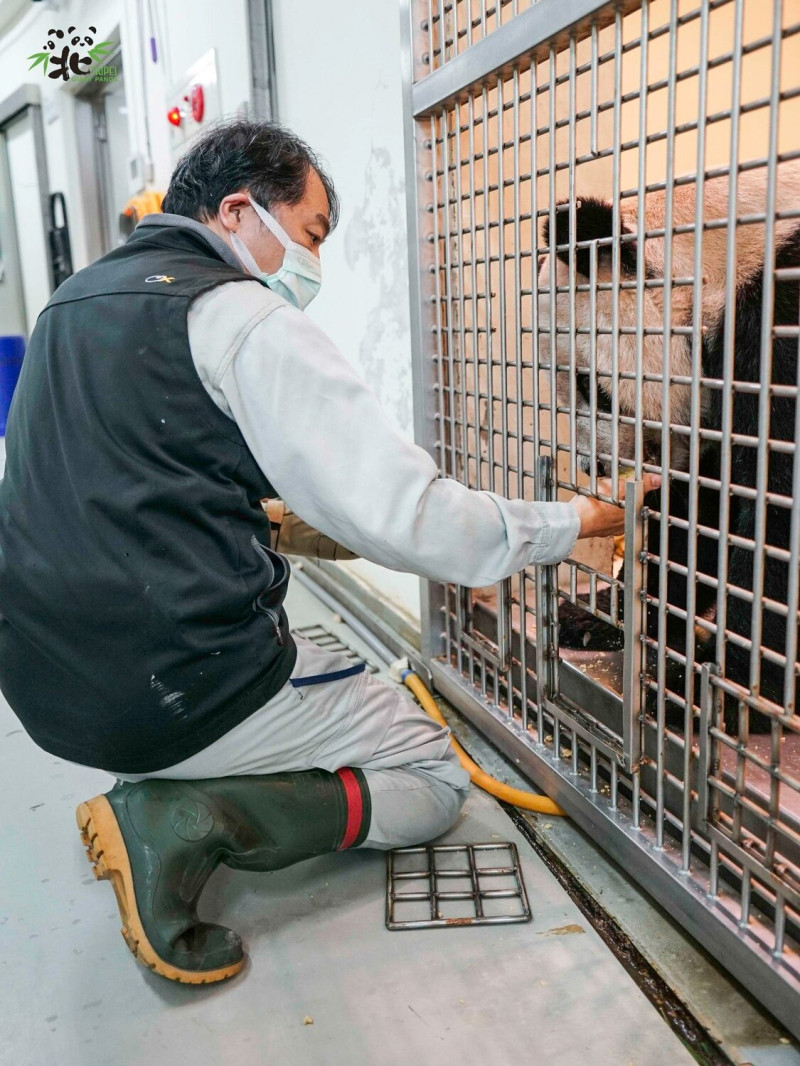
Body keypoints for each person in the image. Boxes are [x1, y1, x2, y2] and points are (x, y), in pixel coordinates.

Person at [0, 119, 660, 985]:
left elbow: (134, 487)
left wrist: (284, 523)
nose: (309, 267)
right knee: (431, 773)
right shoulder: (236, 315)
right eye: (309, 236)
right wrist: (577, 520)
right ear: (238, 210)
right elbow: (414, 519)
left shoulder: (71, 302)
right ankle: (191, 814)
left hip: (45, 690)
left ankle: (167, 778)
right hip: (170, 686)